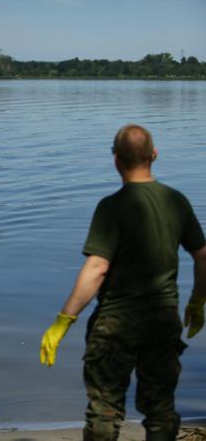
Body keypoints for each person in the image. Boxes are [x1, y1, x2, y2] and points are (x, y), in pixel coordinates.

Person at [39, 124, 206, 441]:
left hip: (115, 325)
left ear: (116, 160)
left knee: (105, 411)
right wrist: (198, 300)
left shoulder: (111, 207)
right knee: (160, 410)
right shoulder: (177, 201)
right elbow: (203, 255)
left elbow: (97, 266)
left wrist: (64, 320)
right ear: (154, 155)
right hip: (162, 321)